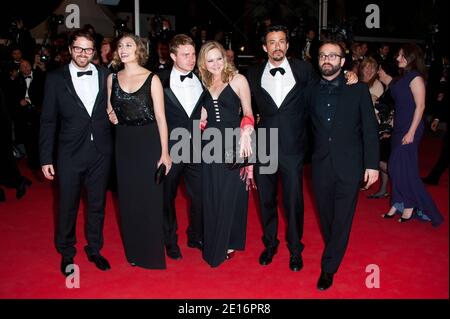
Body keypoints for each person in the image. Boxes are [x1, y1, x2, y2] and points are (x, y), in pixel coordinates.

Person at [247, 25, 358, 272]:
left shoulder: (304, 69)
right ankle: (270, 243)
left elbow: (329, 82)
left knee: (293, 202)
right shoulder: (253, 73)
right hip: (264, 146)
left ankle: (296, 249)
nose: (277, 46)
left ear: (287, 45)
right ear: (265, 47)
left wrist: (350, 75)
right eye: (272, 42)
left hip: (293, 148)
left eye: (281, 41)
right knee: (265, 200)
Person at [305, 41, 379, 290]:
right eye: (323, 55)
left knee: (343, 218)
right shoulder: (310, 89)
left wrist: (372, 164)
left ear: (343, 61)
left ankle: (329, 267)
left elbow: (370, 129)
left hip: (350, 164)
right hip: (320, 164)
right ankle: (334, 245)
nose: (327, 59)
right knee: (326, 216)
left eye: (333, 56)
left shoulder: (357, 90)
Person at [39, 29, 113, 276]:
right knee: (67, 205)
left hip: (100, 151)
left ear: (94, 51)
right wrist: (46, 157)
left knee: (96, 204)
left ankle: (94, 248)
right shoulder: (55, 79)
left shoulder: (105, 75)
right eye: (79, 48)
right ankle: (67, 252)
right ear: (70, 49)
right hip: (69, 152)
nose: (83, 53)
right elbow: (48, 120)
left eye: (88, 49)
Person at [107, 33, 172, 269]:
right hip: (124, 143)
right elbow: (109, 110)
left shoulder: (152, 79)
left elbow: (162, 118)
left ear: (138, 50)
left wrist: (165, 153)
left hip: (149, 141)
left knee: (150, 199)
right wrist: (112, 116)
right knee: (128, 200)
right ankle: (134, 252)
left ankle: (152, 254)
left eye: (129, 45)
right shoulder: (112, 78)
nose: (123, 49)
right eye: (120, 46)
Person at [197, 40, 255, 268]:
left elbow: (249, 112)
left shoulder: (238, 79)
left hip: (234, 142)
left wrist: (247, 135)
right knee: (212, 193)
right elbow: (203, 115)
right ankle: (216, 237)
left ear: (225, 57)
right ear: (203, 62)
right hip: (210, 144)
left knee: (231, 194)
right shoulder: (204, 83)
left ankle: (227, 242)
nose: (215, 64)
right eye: (210, 60)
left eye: (218, 58)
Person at [381, 44, 444, 227]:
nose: (398, 58)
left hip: (410, 129)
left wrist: (411, 132)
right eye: (398, 55)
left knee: (404, 170)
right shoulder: (402, 77)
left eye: (402, 55)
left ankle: (413, 206)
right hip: (399, 127)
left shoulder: (416, 77)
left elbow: (421, 106)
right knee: (395, 168)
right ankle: (397, 204)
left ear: (412, 58)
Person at [157, 34, 204, 260]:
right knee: (167, 197)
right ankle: (170, 240)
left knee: (201, 196)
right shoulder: (159, 80)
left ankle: (195, 235)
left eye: (193, 54)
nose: (192, 59)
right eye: (186, 55)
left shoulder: (203, 78)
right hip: (171, 149)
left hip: (198, 148)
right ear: (173, 56)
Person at [367, 61, 397, 199]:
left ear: (386, 71)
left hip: (388, 131)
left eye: (380, 70)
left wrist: (375, 101)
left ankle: (400, 180)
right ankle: (384, 189)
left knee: (380, 160)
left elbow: (391, 109)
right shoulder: (388, 87)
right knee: (382, 159)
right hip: (383, 129)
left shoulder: (394, 88)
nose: (378, 72)